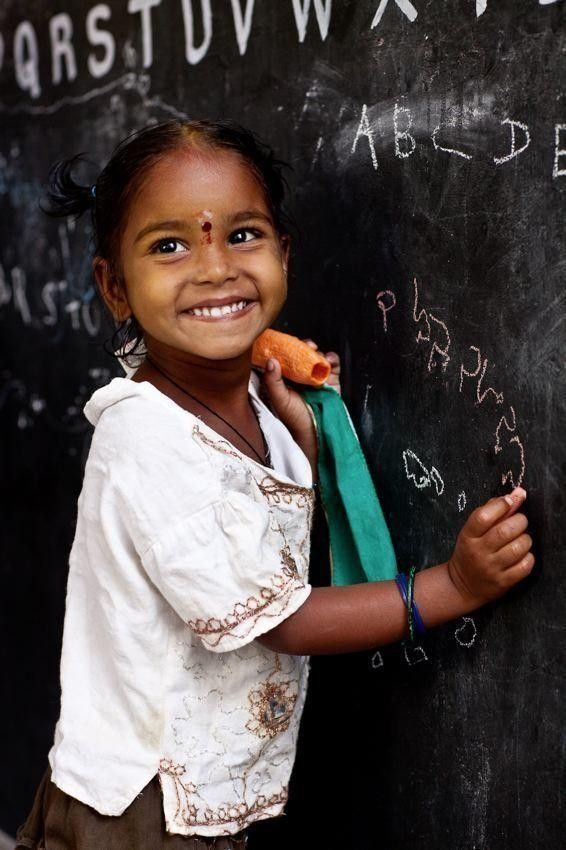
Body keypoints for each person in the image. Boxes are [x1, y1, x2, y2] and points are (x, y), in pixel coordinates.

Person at [15, 119, 534, 850]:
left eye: (242, 234)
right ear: (115, 287)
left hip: (208, 792)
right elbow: (281, 618)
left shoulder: (257, 406)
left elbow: (259, 513)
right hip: (139, 813)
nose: (214, 267)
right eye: (169, 245)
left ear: (283, 254)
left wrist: (306, 436)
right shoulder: (142, 434)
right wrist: (451, 586)